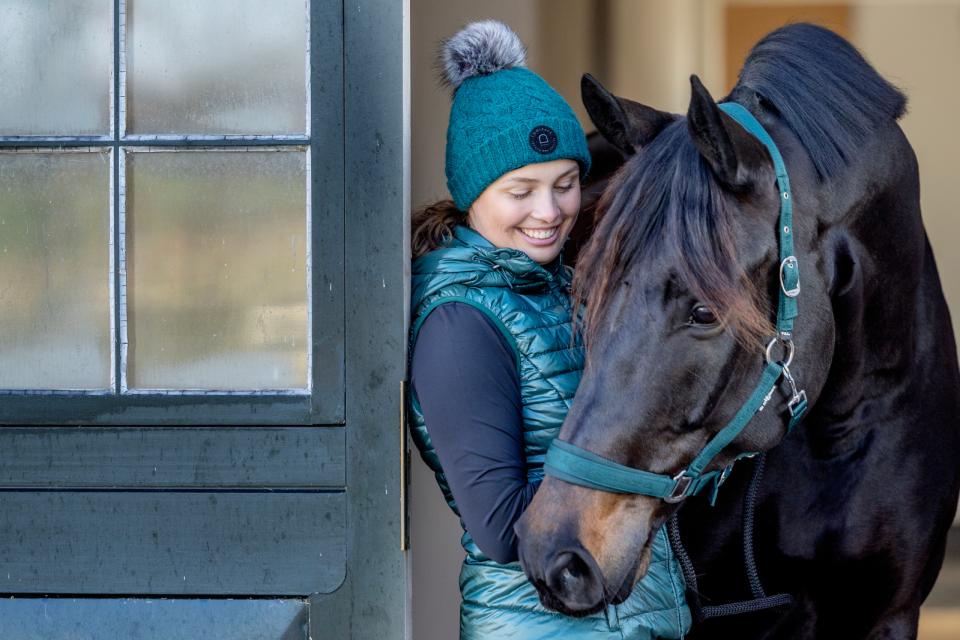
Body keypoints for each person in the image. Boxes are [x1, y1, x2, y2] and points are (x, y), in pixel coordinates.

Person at [408, 20, 691, 639]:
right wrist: (645, 473)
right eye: (521, 191)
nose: (549, 211)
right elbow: (500, 524)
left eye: (565, 185)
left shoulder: (562, 286)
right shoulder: (460, 322)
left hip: (626, 620)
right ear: (473, 194)